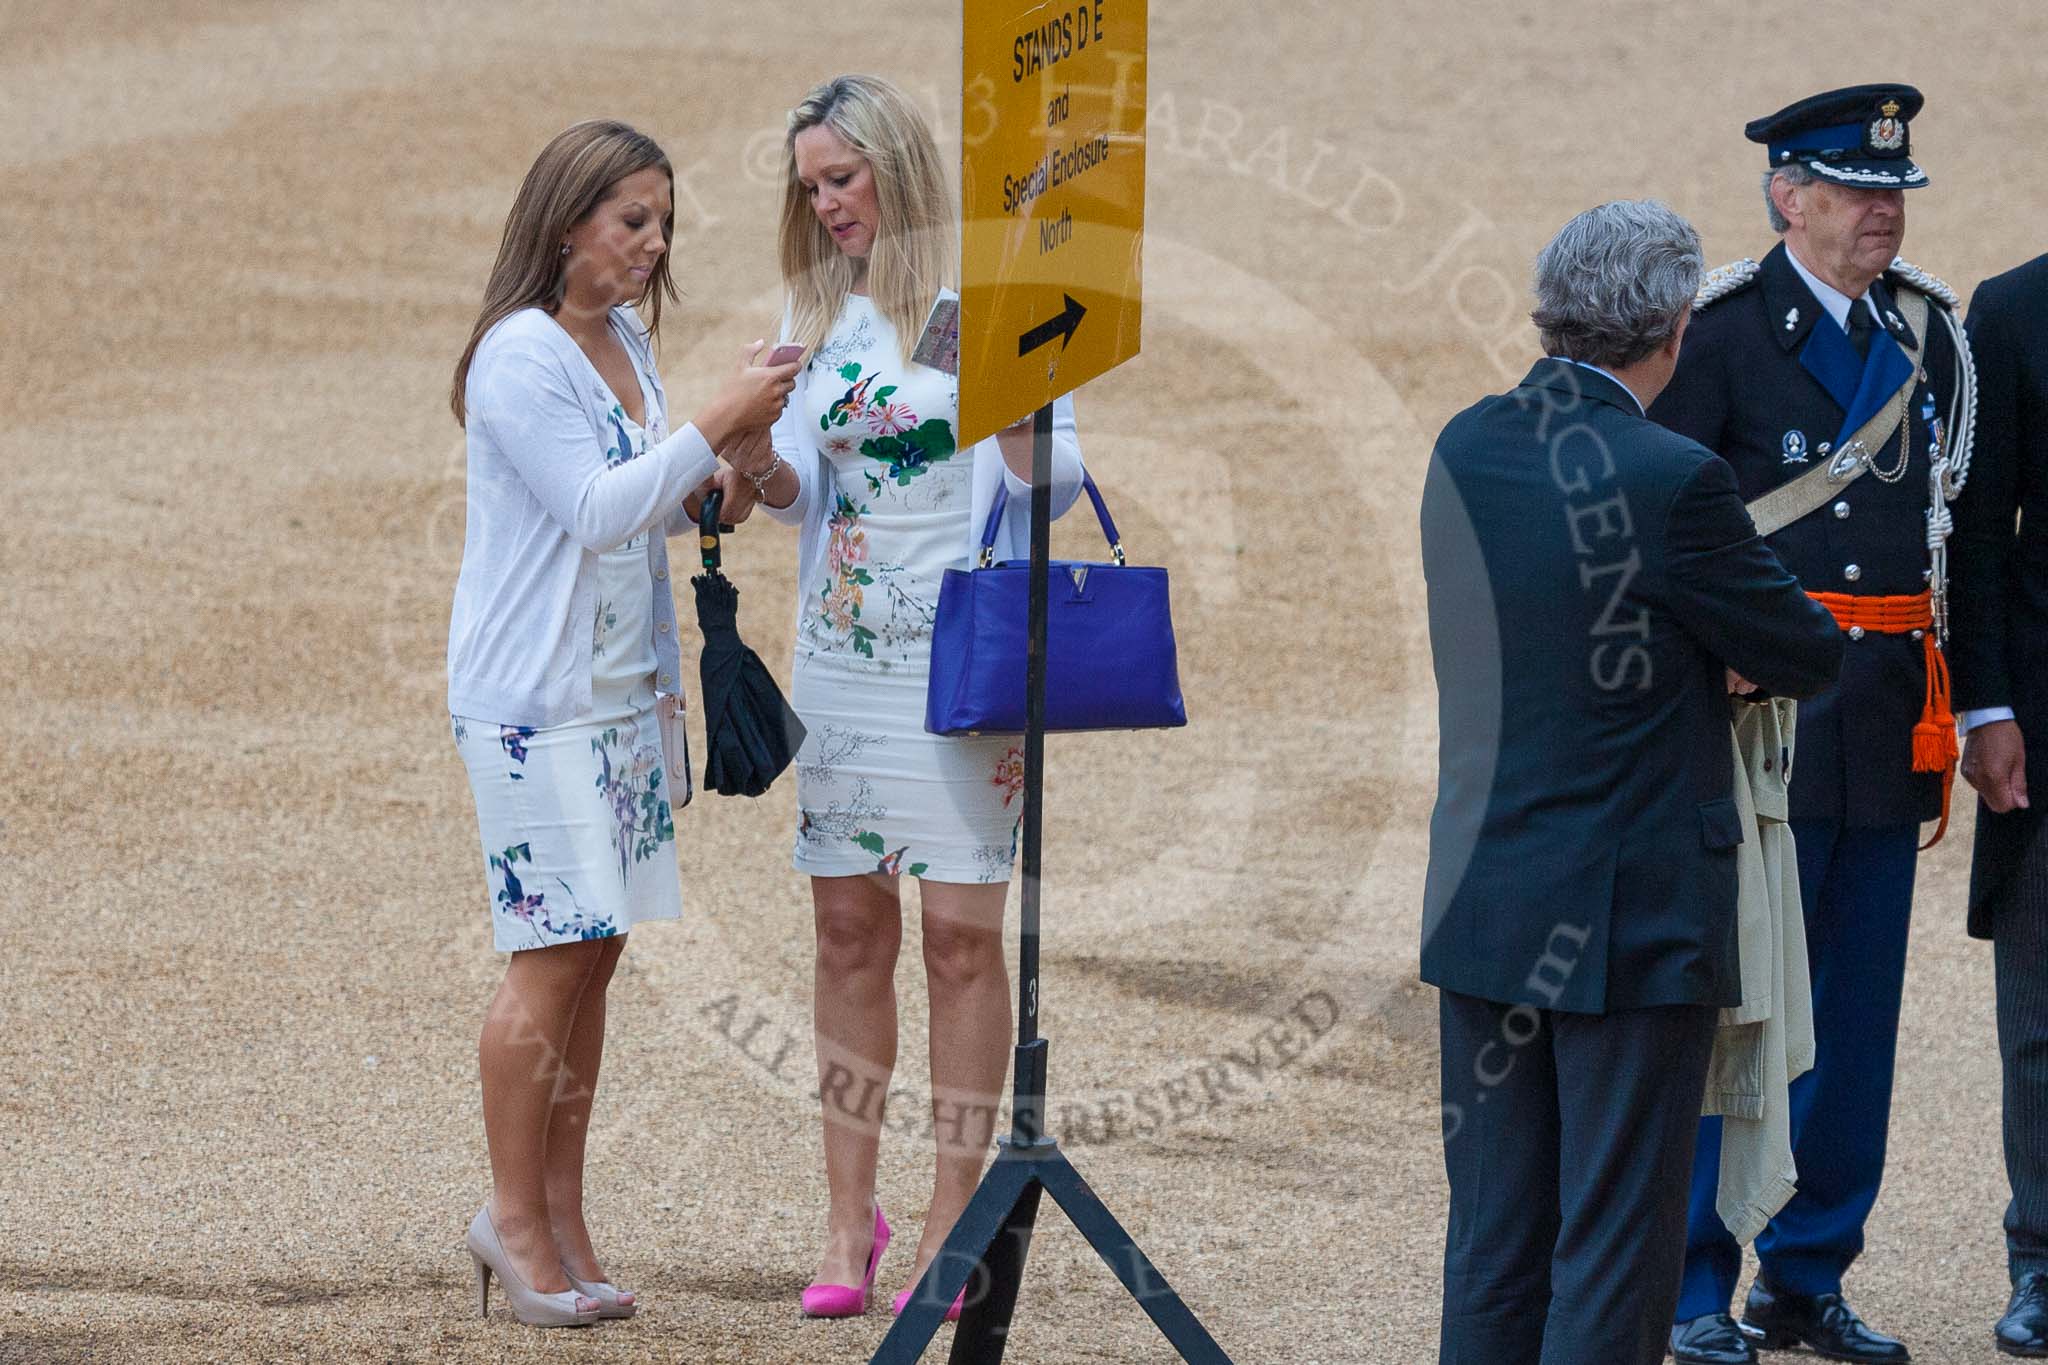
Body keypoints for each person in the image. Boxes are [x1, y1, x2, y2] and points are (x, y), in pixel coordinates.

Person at [1421, 199, 1842, 1365]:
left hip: (1485, 900)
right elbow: (1805, 649)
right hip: (1627, 921)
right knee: (1613, 1247)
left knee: (1495, 1241)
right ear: (1667, 326)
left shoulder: (1464, 441)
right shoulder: (1671, 479)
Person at [445, 119, 797, 1328]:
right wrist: (710, 419)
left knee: (596, 956)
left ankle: (564, 1213)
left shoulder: (628, 348)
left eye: (660, 221)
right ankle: (512, 1218)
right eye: (629, 220)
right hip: (535, 709)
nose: (651, 242)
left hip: (623, 706)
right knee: (548, 957)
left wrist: (729, 463)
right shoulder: (518, 356)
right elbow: (595, 510)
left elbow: (653, 504)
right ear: (564, 225)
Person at [745, 74, 1085, 1320]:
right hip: (839, 653)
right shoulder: (816, 307)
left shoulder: (982, 300)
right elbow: (797, 493)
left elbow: (1057, 490)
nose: (827, 204)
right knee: (846, 932)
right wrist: (750, 457)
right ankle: (847, 1219)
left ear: (895, 165)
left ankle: (952, 1211)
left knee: (956, 938)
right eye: (811, 186)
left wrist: (1018, 426)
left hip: (963, 655)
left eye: (842, 177)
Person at [1651, 84, 1975, 1365]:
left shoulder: (1927, 335)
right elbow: (1666, 532)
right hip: (1756, 725)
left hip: (1883, 719)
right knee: (1738, 1007)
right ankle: (1688, 1280)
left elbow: (1949, 538)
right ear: (1788, 196)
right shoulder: (1717, 337)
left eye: (1890, 190)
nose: (1879, 212)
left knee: (1852, 1016)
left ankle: (1808, 1269)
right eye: (1851, 190)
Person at [1949, 250, 2048, 1357]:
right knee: (2038, 1014)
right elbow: (1977, 527)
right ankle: (2041, 1259)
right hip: (2044, 713)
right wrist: (1982, 706)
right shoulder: (2013, 310)